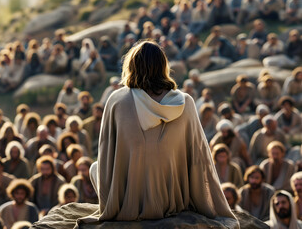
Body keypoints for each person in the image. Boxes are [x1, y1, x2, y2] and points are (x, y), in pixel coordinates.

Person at [85, 40, 237, 226]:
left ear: (132, 66)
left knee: (95, 167)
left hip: (128, 203)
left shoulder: (117, 100)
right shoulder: (185, 102)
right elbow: (199, 158)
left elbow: (107, 154)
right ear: (163, 66)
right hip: (172, 201)